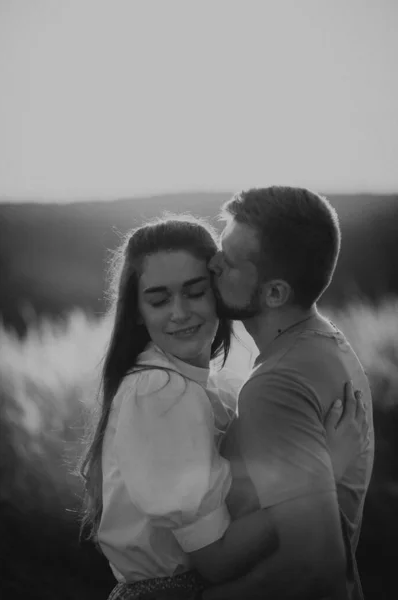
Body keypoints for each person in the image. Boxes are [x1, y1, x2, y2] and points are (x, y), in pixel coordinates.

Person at [78, 214, 365, 600]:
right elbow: (218, 559)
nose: (179, 312)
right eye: (159, 299)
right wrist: (320, 475)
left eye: (195, 291)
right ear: (136, 312)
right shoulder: (159, 392)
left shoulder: (208, 384)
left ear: (220, 293)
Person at [203, 186, 374, 600]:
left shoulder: (275, 385)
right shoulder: (327, 345)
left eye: (228, 262)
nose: (212, 264)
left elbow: (313, 572)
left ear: (275, 292)